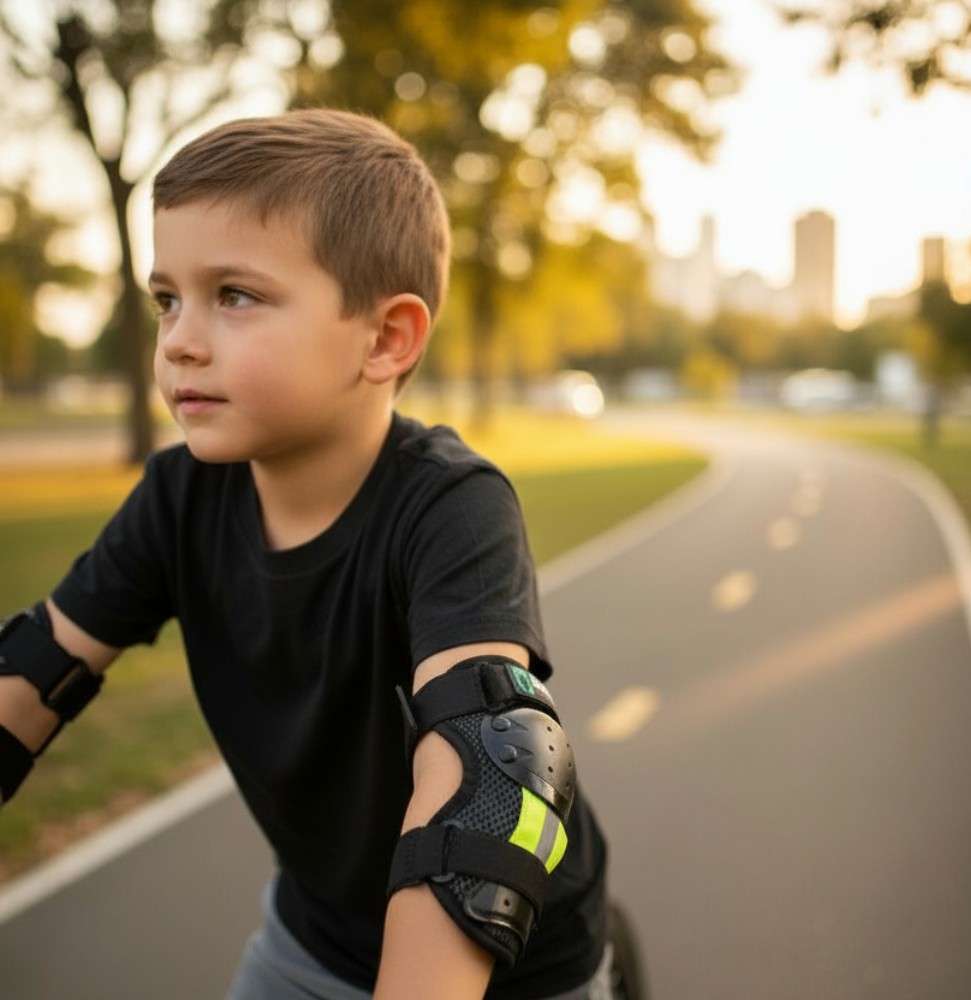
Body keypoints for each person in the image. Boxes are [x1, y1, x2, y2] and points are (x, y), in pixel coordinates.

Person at [0, 109, 610, 999]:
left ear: (385, 339)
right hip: (315, 936)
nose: (179, 340)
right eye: (167, 299)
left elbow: (491, 760)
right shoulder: (178, 497)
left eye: (234, 296)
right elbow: (35, 671)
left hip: (510, 963)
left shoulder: (451, 506)